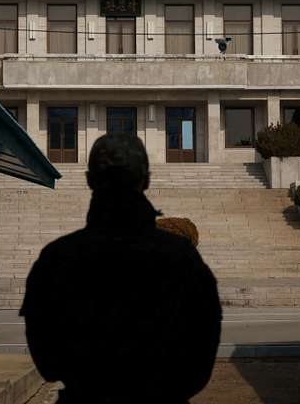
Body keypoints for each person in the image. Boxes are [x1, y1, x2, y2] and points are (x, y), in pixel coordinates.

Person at [20, 133, 222, 404]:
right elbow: (201, 358)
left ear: (89, 180)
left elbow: (47, 363)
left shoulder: (57, 258)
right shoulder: (181, 258)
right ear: (146, 180)